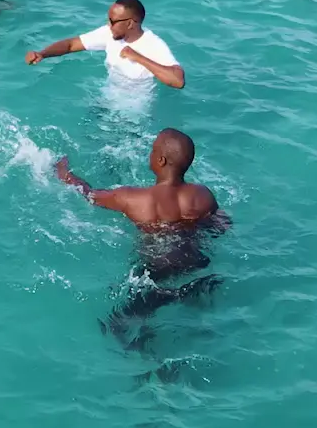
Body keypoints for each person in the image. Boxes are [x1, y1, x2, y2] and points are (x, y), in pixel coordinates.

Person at [55, 128, 224, 347]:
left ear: (161, 160)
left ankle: (148, 362)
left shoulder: (132, 199)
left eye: (153, 150)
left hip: (156, 273)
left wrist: (63, 173)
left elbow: (89, 193)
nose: (150, 153)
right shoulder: (203, 195)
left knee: (117, 326)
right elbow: (220, 226)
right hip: (197, 266)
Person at [26, 0, 185, 88]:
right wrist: (42, 54)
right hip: (106, 101)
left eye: (113, 21)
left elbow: (178, 81)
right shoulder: (109, 33)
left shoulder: (153, 44)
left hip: (133, 113)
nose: (109, 24)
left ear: (130, 23)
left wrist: (138, 57)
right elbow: (71, 44)